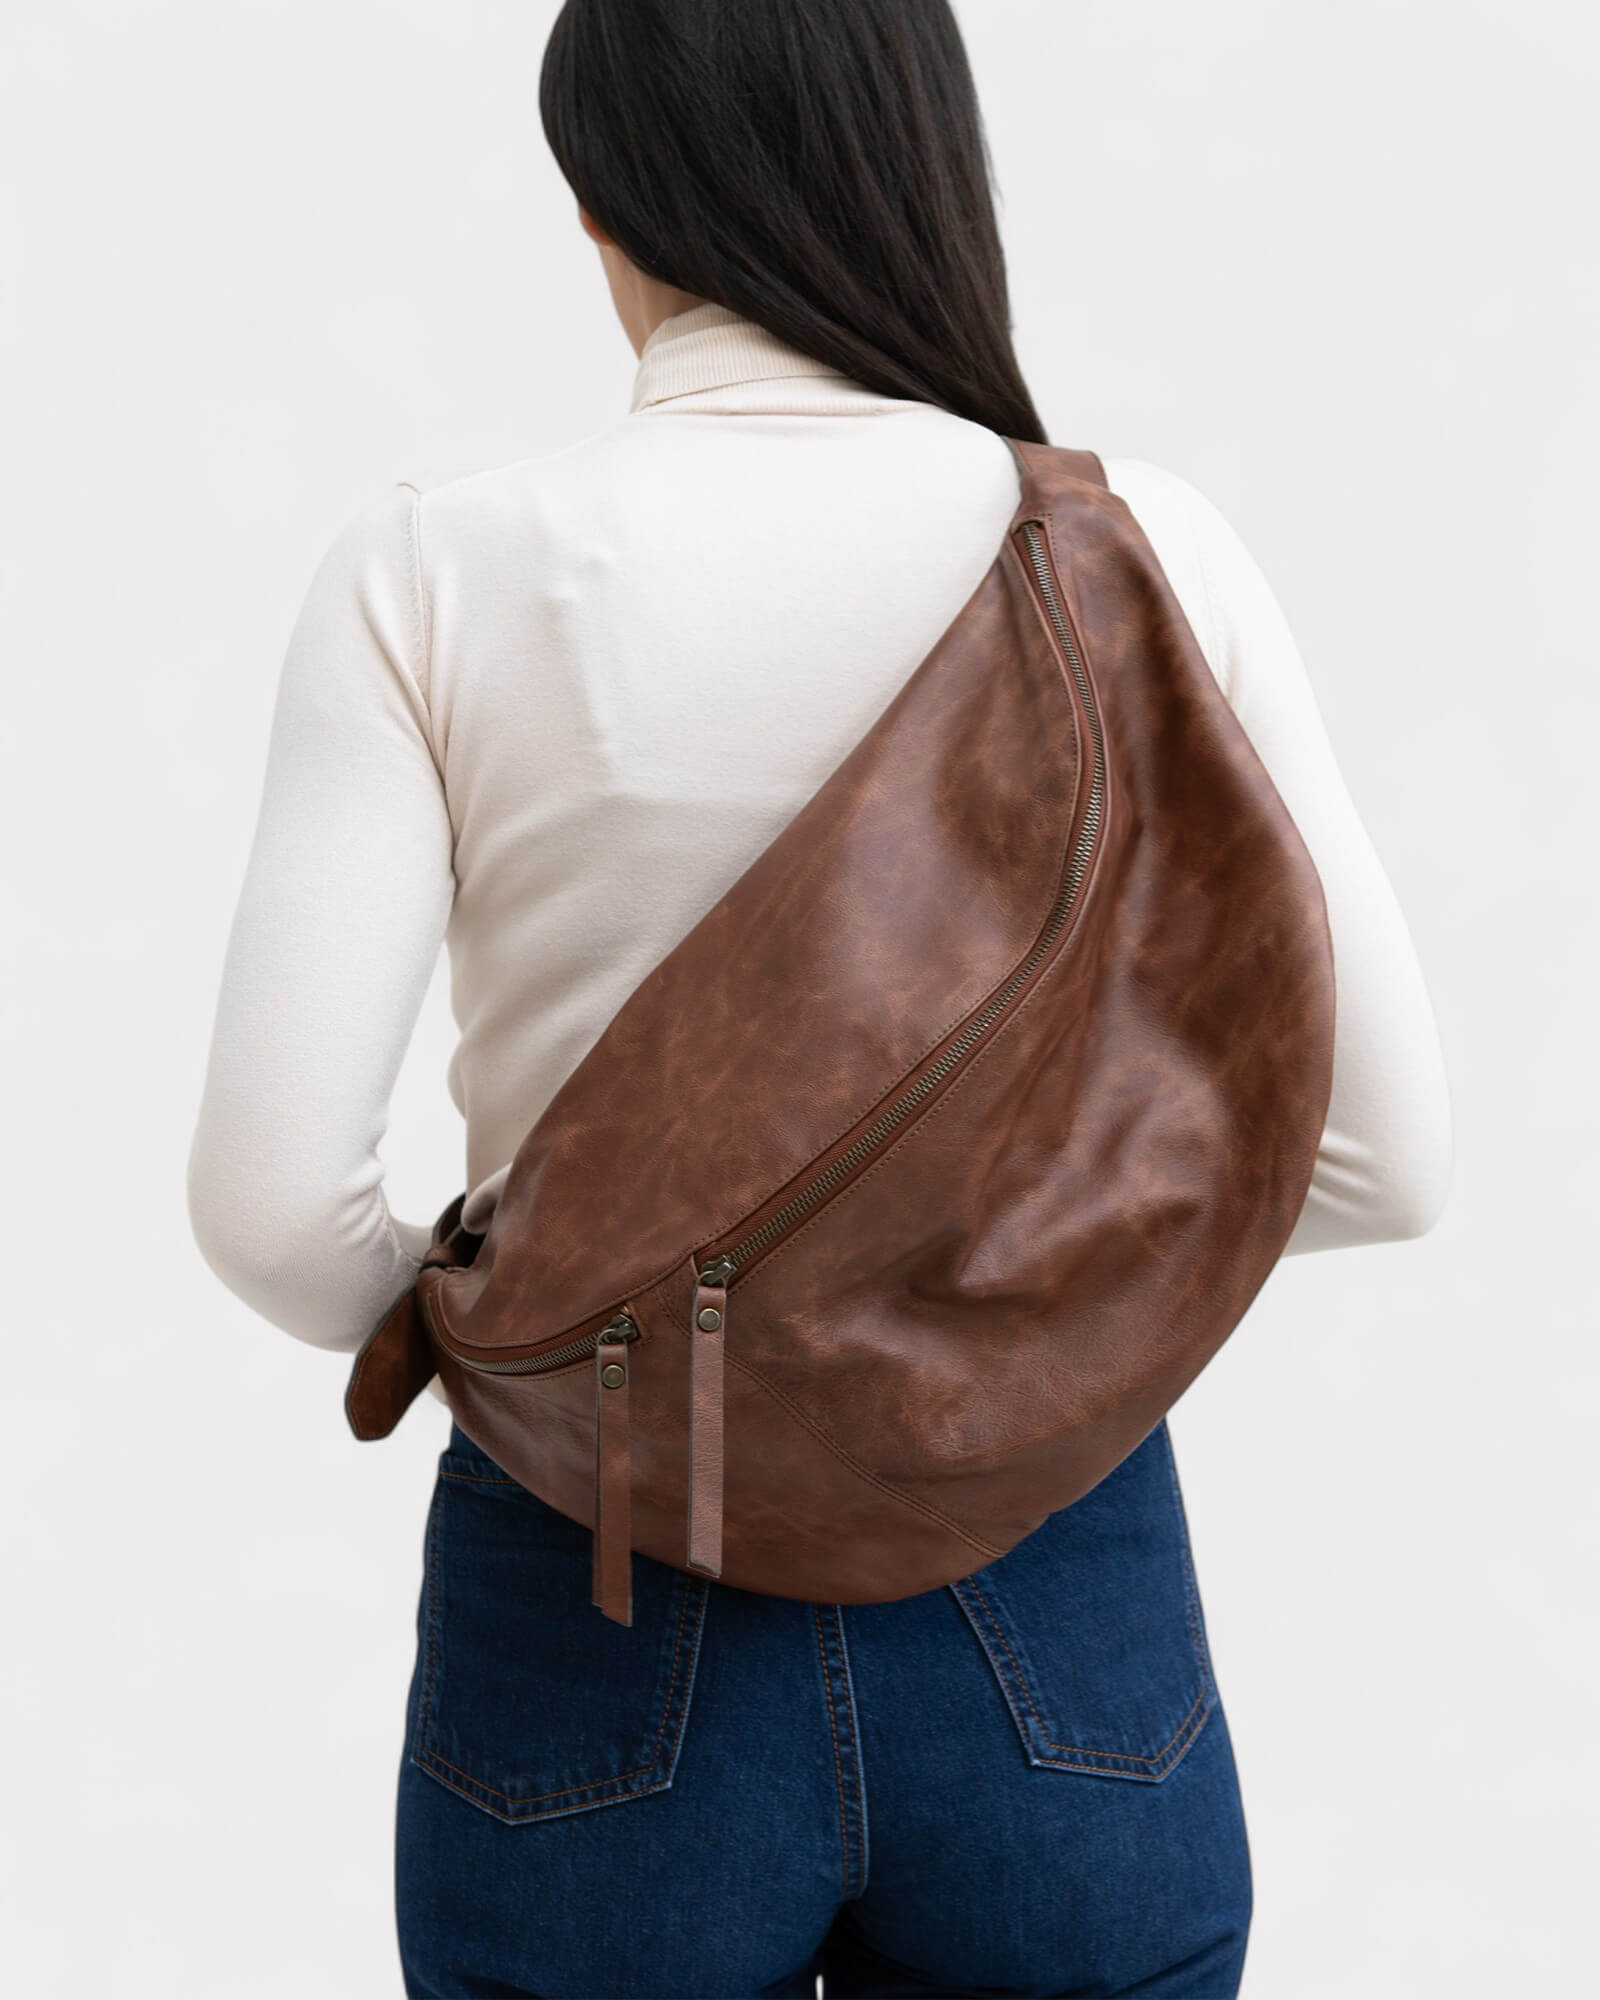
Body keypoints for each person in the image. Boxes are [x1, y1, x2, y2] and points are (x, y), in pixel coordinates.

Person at [186, 2, 1453, 1993]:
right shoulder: (1132, 552)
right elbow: (1379, 1161)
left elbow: (269, 1210)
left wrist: (554, 1326)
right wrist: (1000, 1297)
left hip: (596, 1569)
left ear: (600, 203)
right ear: (923, 170)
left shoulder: (429, 573)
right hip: (1052, 1579)